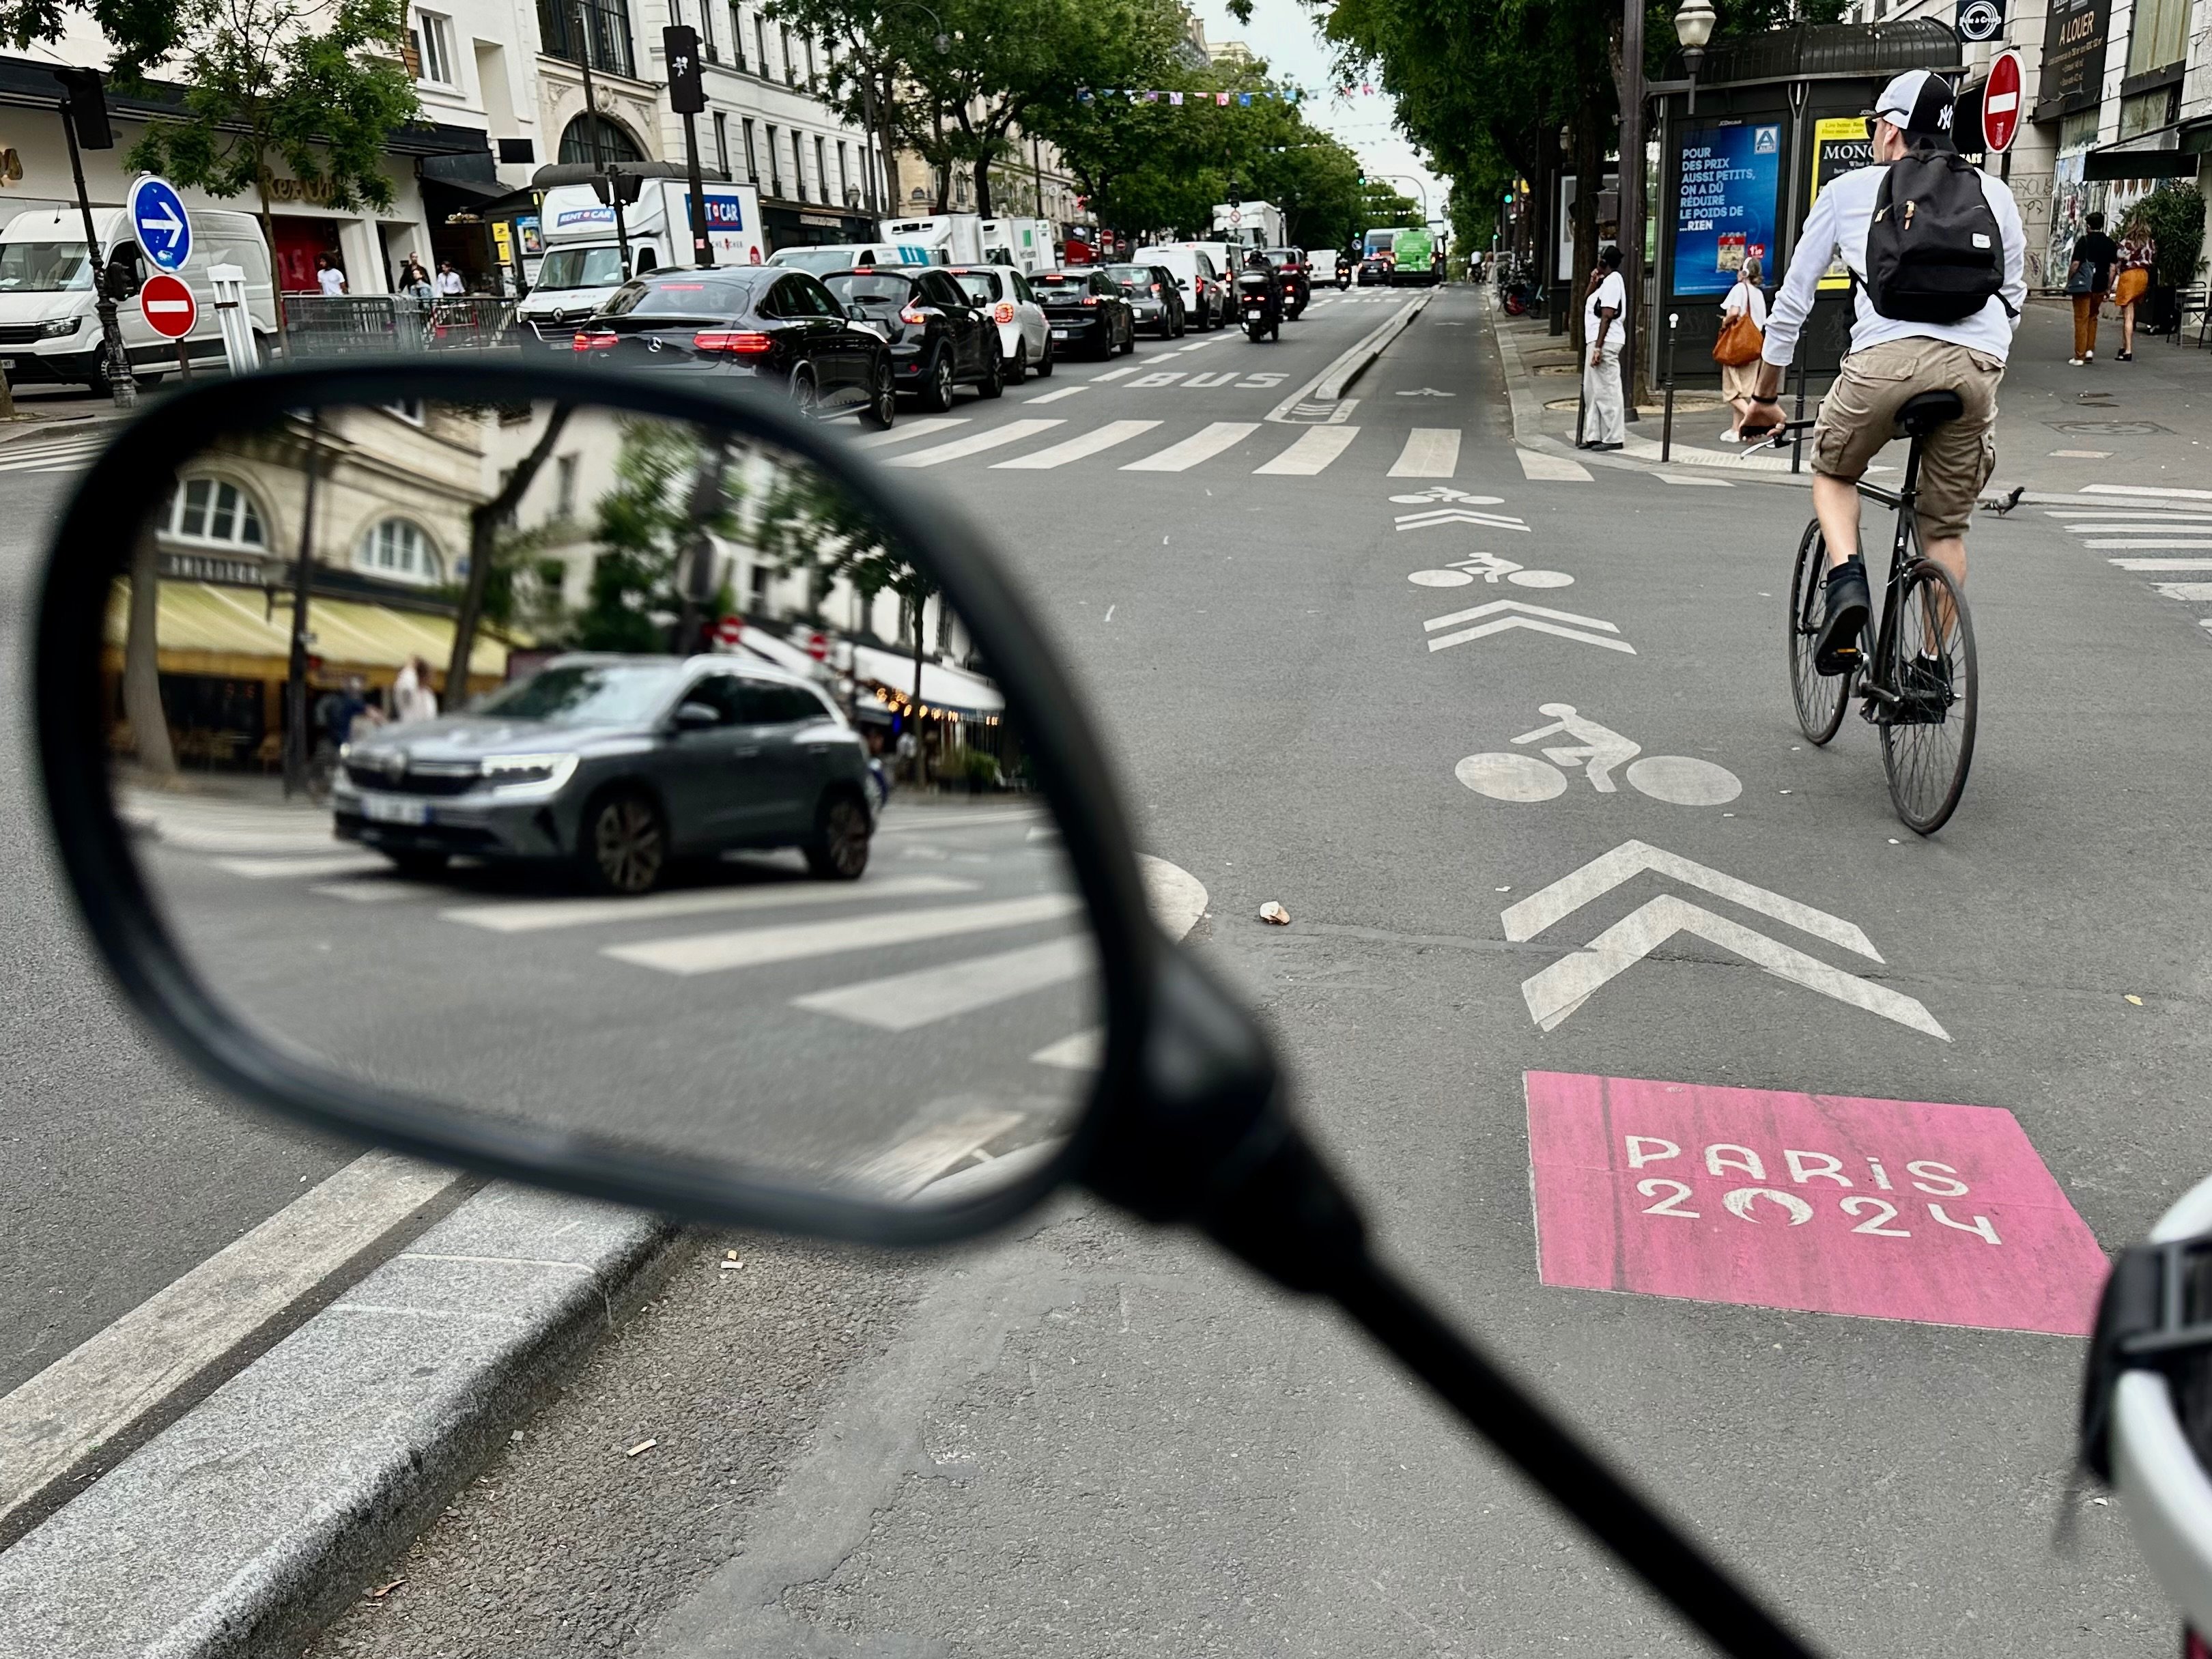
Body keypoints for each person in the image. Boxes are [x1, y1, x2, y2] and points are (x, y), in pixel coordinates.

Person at [1743, 70, 2025, 674]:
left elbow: (1793, 302)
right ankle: (1928, 667)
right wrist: (1981, 360)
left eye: (1877, 124)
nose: (1874, 134)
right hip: (1974, 372)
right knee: (1944, 530)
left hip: (1881, 368)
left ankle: (1847, 585)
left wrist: (1764, 397)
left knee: (1834, 471)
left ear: (1893, 128)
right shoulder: (1993, 194)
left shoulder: (1849, 192)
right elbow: (2014, 296)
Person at [1579, 244, 1626, 452]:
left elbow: (1607, 314)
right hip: (1596, 341)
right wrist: (1594, 280)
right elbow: (1587, 300)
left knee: (1607, 390)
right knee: (1593, 391)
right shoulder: (1605, 283)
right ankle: (1594, 435)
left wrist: (1598, 347)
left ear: (1604, 261)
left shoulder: (1614, 281)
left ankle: (1613, 436)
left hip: (1605, 342)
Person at [1718, 255, 1768, 442]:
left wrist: (1725, 322)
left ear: (1744, 272)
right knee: (1744, 392)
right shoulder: (1759, 293)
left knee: (1731, 392)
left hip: (1737, 345)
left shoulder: (1740, 289)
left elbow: (1734, 312)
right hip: (1754, 345)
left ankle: (1755, 421)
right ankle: (1737, 430)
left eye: (1740, 269)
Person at [2068, 210, 2119, 366]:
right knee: (2093, 316)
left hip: (2084, 286)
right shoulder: (2110, 243)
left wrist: (2069, 279)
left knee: (2081, 318)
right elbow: (2112, 269)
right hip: (2100, 285)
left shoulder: (2084, 241)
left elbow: (2076, 264)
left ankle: (2079, 356)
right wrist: (2109, 288)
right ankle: (2090, 350)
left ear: (2088, 225)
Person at [2114, 221, 2155, 361]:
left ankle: (2128, 350)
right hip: (2143, 275)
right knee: (2132, 311)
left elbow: (2119, 258)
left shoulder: (2127, 243)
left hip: (2130, 276)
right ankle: (2123, 345)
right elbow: (2152, 258)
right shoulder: (2150, 243)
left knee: (2128, 315)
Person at [391, 657, 439, 724]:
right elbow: (405, 685)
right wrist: (410, 668)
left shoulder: (428, 694)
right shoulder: (408, 692)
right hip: (410, 730)